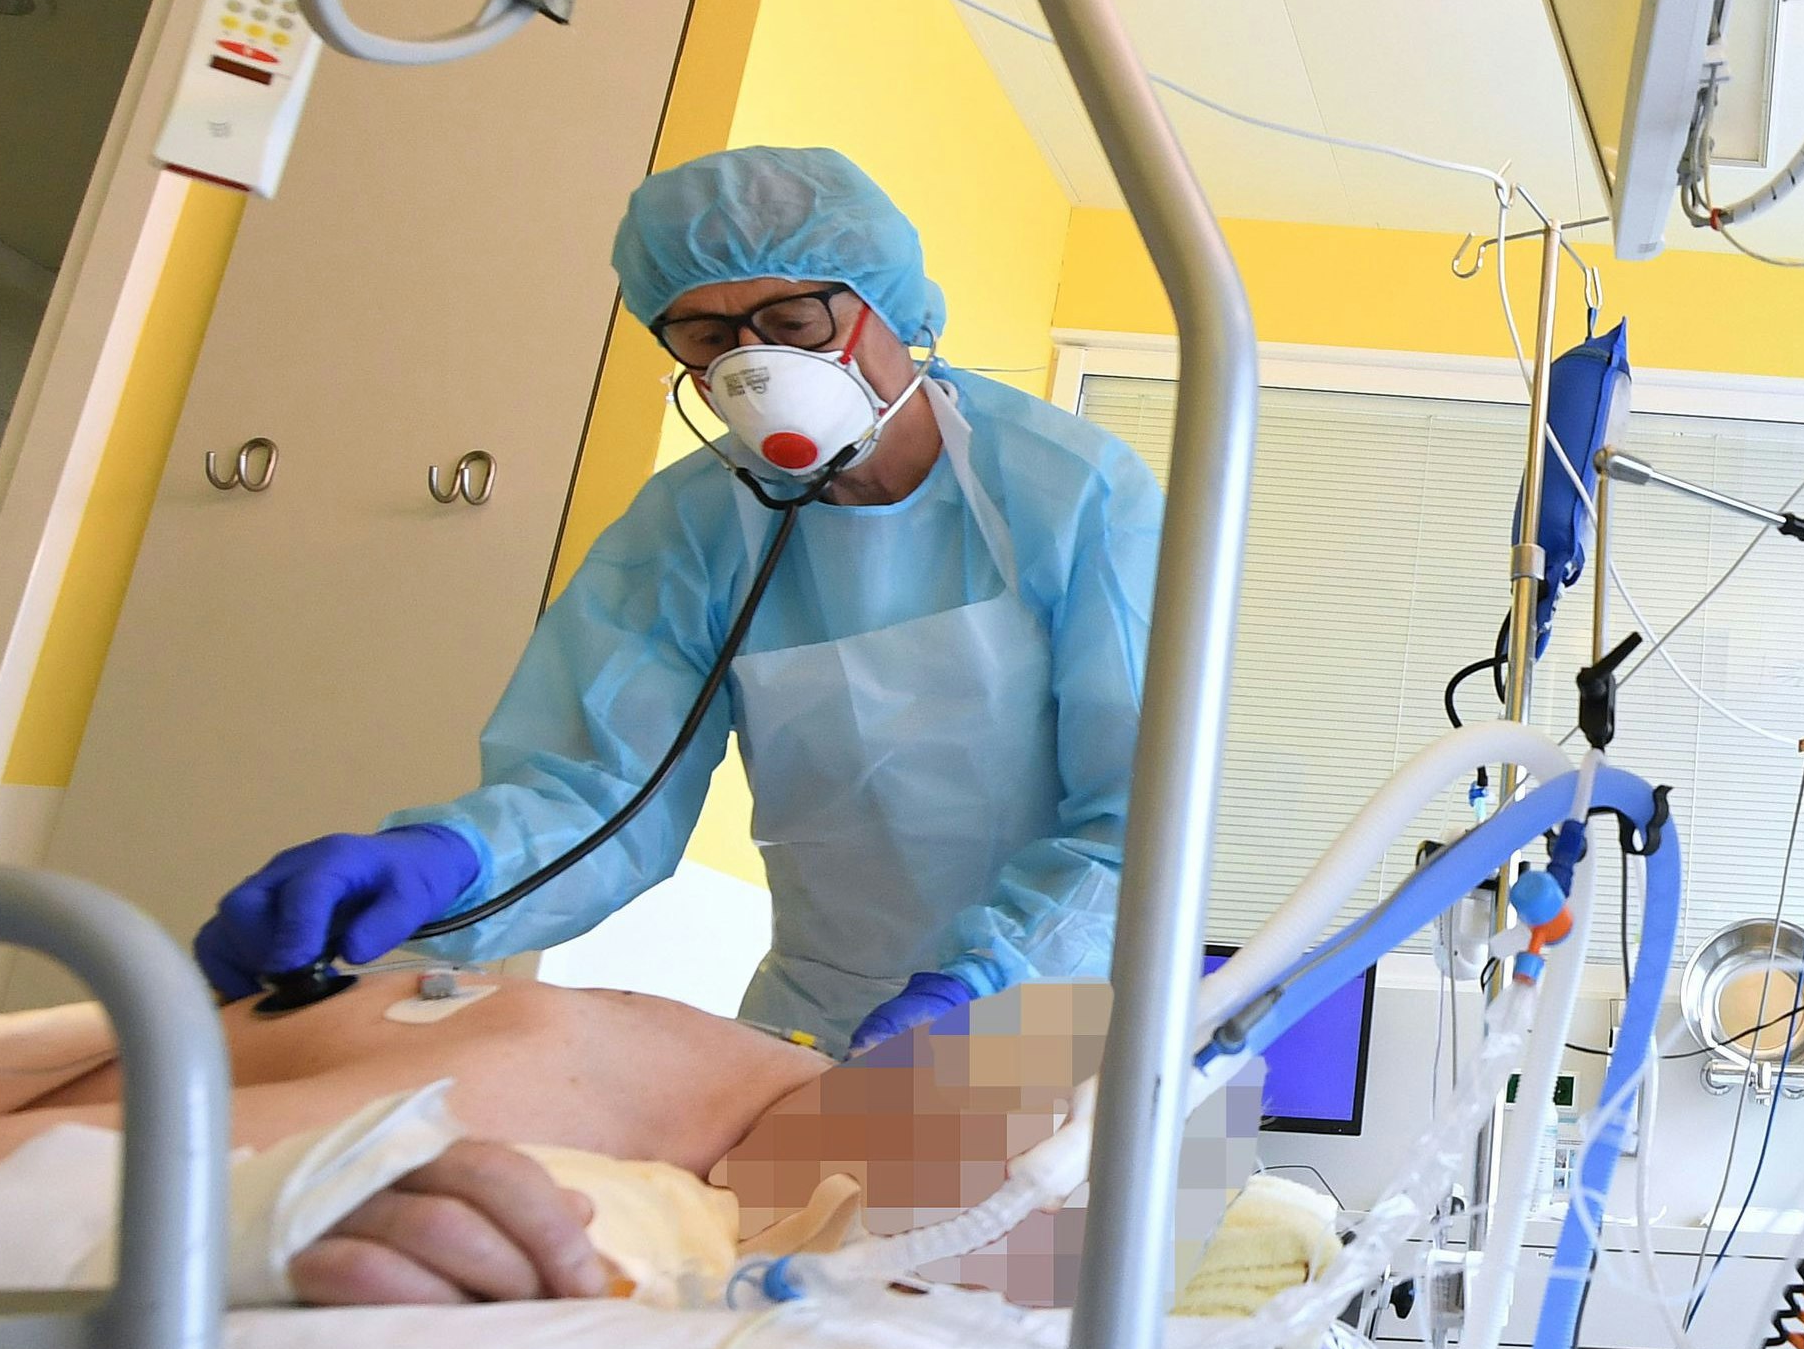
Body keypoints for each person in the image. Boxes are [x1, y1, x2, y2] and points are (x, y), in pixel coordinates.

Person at [189, 147, 1164, 1052]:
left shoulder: (1073, 493)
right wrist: (445, 860)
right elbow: (598, 791)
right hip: (817, 1021)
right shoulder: (696, 522)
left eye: (793, 325)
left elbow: (1137, 818)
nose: (757, 368)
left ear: (890, 307)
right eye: (708, 335)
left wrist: (982, 991)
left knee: (1034, 1241)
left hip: (1063, 1020)